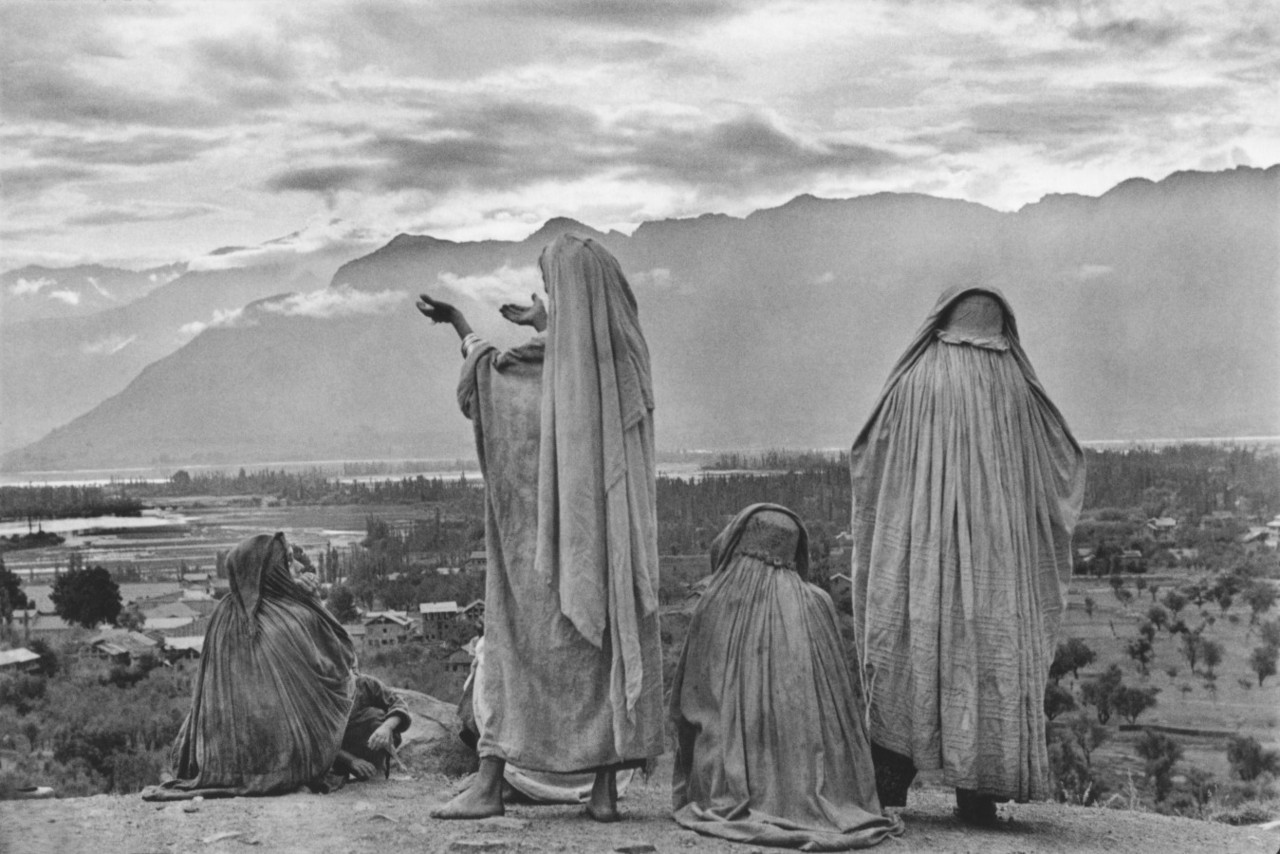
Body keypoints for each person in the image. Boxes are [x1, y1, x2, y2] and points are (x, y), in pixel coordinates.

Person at [417, 233, 664, 821]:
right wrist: (550, 322)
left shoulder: (535, 370)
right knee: (600, 652)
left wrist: (459, 322)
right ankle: (603, 792)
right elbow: (583, 346)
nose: (548, 298)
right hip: (607, 549)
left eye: (552, 289)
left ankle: (488, 784)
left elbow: (486, 377)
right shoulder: (626, 363)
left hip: (534, 554)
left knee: (513, 647)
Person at [849, 286, 1085, 824]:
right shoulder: (1018, 388)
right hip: (997, 568)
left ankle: (887, 790)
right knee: (985, 660)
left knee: (910, 655)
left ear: (942, 319)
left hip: (921, 561)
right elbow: (1062, 461)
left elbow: (869, 454)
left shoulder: (914, 380)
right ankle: (978, 798)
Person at [669, 503, 903, 850]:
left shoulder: (716, 601)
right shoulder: (818, 604)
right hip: (821, 782)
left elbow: (688, 707)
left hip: (724, 784)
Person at [142, 533, 356, 800]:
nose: (296, 568)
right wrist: (312, 599)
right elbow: (341, 659)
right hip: (288, 760)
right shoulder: (293, 616)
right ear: (272, 570)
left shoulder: (224, 613)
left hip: (219, 758)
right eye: (288, 562)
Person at [333, 673, 412, 783]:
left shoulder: (366, 684)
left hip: (367, 744)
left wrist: (386, 727)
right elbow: (318, 740)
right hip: (335, 754)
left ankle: (376, 768)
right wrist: (351, 760)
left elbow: (399, 704)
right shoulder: (320, 690)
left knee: (376, 716)